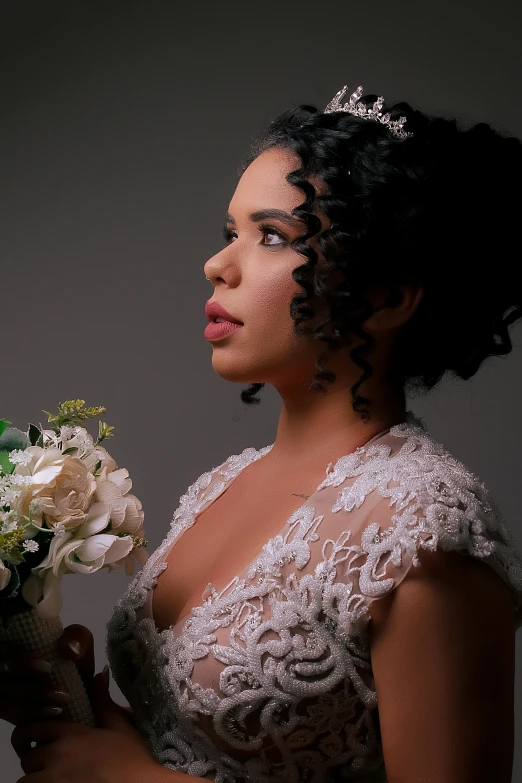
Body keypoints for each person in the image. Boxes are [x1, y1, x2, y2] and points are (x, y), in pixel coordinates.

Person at [100, 85, 522, 783]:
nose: (219, 265)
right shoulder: (222, 483)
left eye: (271, 236)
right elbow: (177, 735)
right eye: (229, 232)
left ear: (385, 298)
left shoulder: (422, 529)